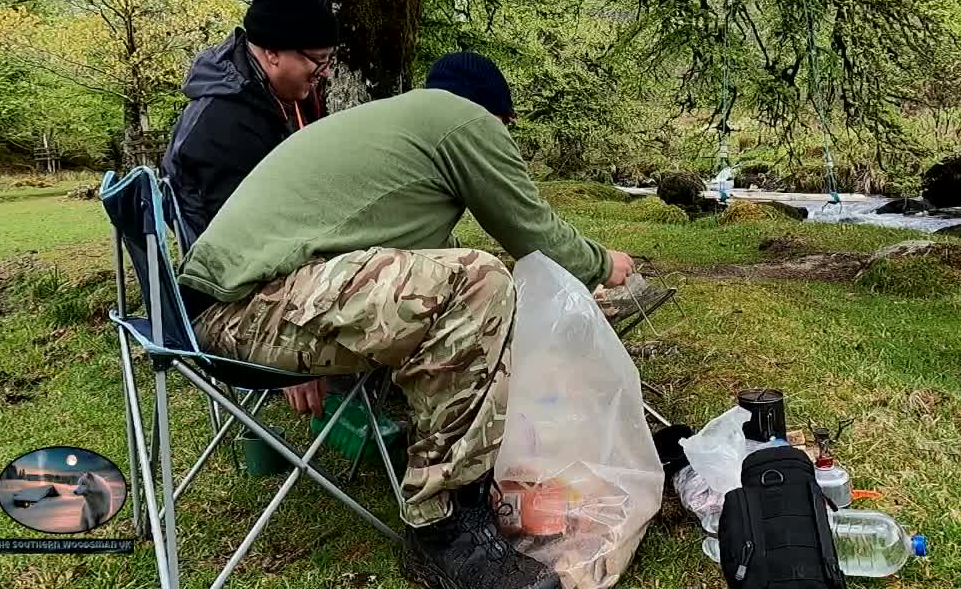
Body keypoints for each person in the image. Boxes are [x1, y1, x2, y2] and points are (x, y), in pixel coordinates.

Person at [176, 51, 635, 589]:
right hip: (245, 310)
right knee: (479, 281)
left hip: (231, 305)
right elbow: (533, 232)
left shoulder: (400, 127)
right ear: (497, 117)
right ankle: (443, 530)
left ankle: (455, 467)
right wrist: (605, 264)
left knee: (449, 278)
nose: (503, 137)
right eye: (504, 128)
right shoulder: (465, 120)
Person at [161, 0, 339, 243]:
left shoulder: (285, 98)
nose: (327, 72)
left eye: (330, 59)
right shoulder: (222, 121)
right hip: (241, 271)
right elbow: (246, 238)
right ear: (272, 53)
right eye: (318, 60)